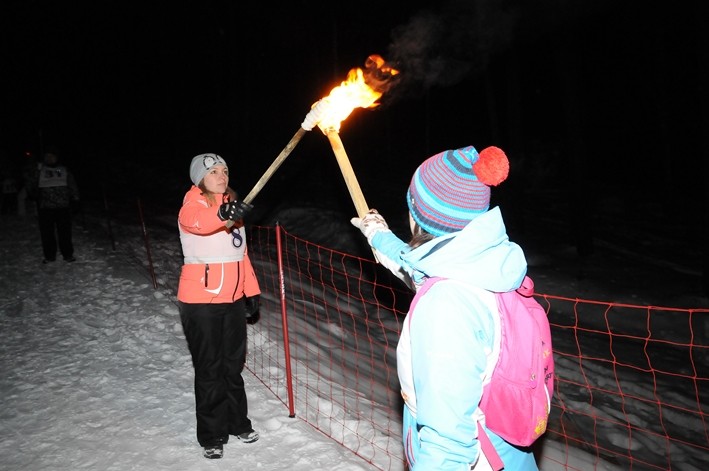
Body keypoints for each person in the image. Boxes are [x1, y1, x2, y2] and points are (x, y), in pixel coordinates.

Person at [351, 145, 537, 470]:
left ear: (417, 215)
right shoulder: (482, 263)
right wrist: (378, 235)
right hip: (506, 453)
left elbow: (448, 446)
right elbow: (417, 266)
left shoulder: (447, 307)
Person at [176, 153, 261, 460]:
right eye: (213, 171)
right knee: (210, 368)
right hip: (201, 302)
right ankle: (212, 435)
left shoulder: (233, 208)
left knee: (232, 367)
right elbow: (199, 223)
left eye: (224, 170)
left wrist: (251, 290)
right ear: (199, 178)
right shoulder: (192, 206)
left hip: (233, 300)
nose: (221, 176)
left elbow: (241, 254)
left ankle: (238, 423)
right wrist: (224, 212)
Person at [29, 147, 80, 263]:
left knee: (65, 233)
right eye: (47, 156)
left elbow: (72, 184)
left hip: (63, 206)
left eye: (52, 156)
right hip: (45, 207)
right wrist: (35, 172)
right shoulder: (39, 170)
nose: (49, 158)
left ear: (57, 157)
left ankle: (67, 254)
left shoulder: (63, 170)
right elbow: (31, 186)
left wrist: (76, 199)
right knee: (47, 234)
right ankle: (49, 256)